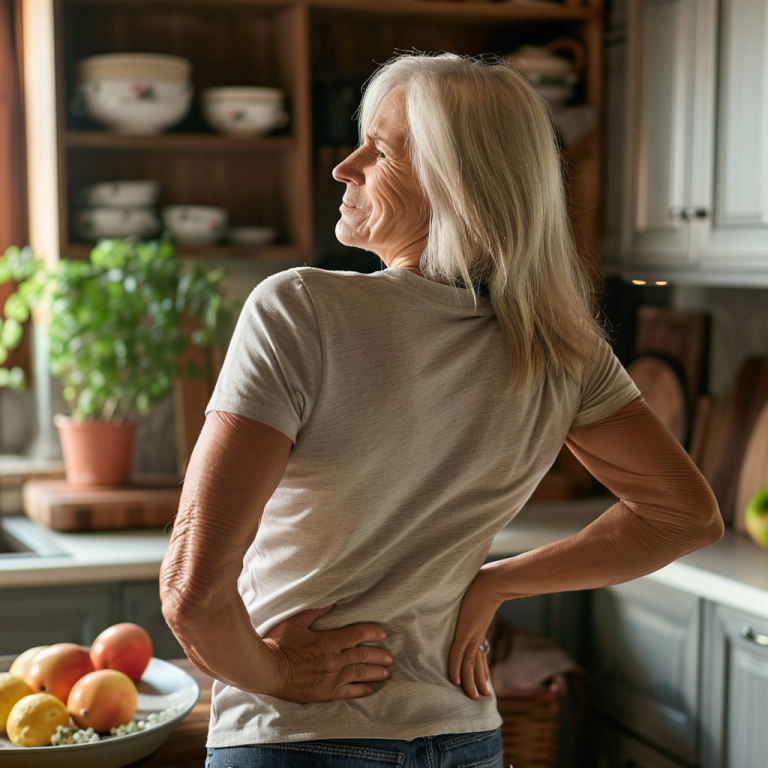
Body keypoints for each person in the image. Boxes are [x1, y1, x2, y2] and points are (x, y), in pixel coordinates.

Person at [159, 53, 723, 768]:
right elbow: (685, 515)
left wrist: (279, 675)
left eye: (382, 149)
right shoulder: (562, 347)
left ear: (457, 183)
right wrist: (501, 581)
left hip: (299, 741)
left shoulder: (300, 309)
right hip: (464, 737)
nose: (345, 166)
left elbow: (191, 594)